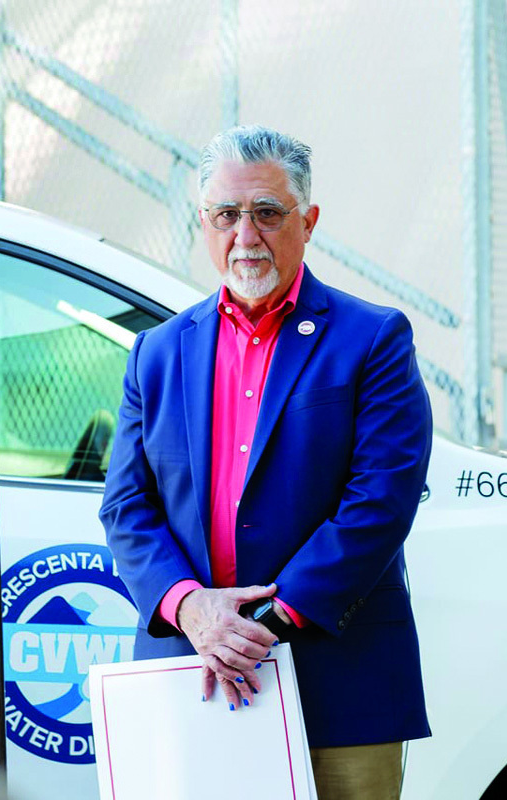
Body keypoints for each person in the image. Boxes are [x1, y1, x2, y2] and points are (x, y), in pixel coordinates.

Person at [100, 125, 432, 800]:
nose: (245, 235)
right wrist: (193, 610)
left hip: (338, 684)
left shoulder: (373, 338)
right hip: (190, 675)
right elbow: (126, 507)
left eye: (267, 213)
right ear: (203, 223)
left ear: (308, 222)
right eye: (226, 214)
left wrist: (260, 625)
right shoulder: (157, 352)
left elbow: (379, 503)